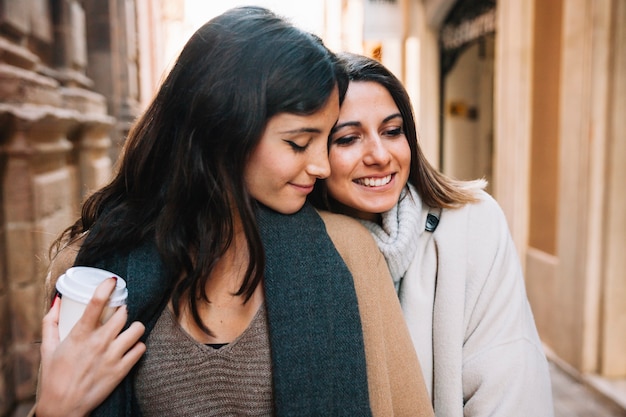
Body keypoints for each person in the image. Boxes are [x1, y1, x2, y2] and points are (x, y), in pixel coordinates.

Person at [31, 7, 434, 417]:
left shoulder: (346, 251)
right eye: (298, 143)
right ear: (225, 133)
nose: (322, 166)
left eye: (326, 140)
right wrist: (52, 410)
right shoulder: (92, 274)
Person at [310, 52, 555, 416]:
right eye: (348, 139)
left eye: (393, 131)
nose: (379, 154)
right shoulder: (299, 248)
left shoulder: (473, 222)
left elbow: (510, 383)